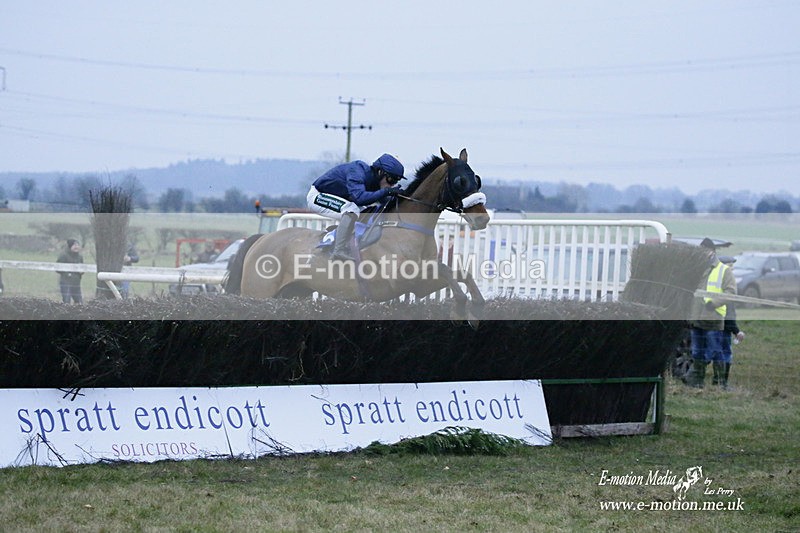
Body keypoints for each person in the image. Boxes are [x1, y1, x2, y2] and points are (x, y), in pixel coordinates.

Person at [307, 154, 404, 261]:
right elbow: (359, 198)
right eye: (391, 180)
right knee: (351, 210)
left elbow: (383, 201)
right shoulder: (357, 171)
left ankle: (348, 243)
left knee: (365, 211)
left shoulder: (375, 181)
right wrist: (386, 192)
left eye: (395, 182)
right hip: (318, 196)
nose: (392, 185)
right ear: (380, 172)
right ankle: (338, 250)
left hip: (340, 198)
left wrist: (399, 197)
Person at [684, 237, 737, 388]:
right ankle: (697, 382)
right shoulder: (697, 269)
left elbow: (730, 292)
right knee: (697, 351)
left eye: (704, 251)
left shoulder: (724, 270)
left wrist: (713, 304)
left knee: (716, 351)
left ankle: (720, 383)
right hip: (696, 318)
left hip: (713, 317)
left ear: (712, 252)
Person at [717, 256, 745, 390]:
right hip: (723, 327)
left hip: (715, 324)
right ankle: (722, 383)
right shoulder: (727, 287)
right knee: (725, 354)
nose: (732, 270)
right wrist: (736, 331)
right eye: (730, 267)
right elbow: (728, 314)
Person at [56, 239, 84, 304]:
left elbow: (82, 268)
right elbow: (57, 268)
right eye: (74, 245)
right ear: (70, 246)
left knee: (79, 302)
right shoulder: (63, 255)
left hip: (76, 283)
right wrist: (67, 273)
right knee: (66, 301)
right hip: (65, 282)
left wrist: (81, 272)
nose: (76, 247)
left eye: (77, 245)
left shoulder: (80, 257)